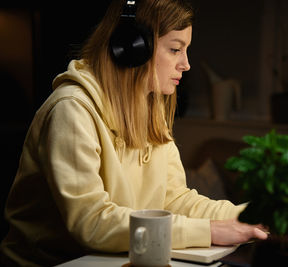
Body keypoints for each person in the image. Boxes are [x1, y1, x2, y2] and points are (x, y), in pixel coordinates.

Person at [0, 0, 267, 266]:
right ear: (132, 47)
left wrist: (257, 216)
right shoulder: (71, 110)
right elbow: (91, 222)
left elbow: (173, 199)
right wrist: (209, 231)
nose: (186, 64)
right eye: (175, 49)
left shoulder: (150, 110)